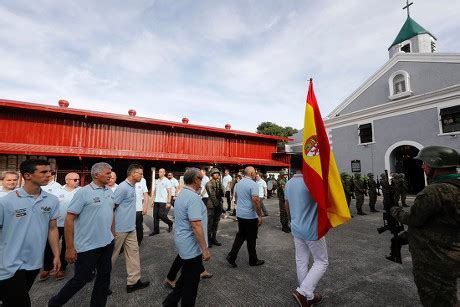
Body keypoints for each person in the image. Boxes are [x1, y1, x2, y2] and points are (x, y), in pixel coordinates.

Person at [391, 146, 460, 307]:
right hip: (450, 253)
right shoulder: (455, 185)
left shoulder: (434, 191)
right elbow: (439, 222)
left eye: (425, 163)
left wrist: (396, 211)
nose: (422, 166)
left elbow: (414, 218)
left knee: (437, 300)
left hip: (434, 259)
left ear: (435, 164)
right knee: (447, 296)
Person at [48, 162, 115, 307]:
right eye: (108, 173)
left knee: (104, 278)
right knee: (81, 279)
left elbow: (111, 214)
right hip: (87, 246)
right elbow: (69, 219)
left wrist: (112, 235)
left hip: (107, 243)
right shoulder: (83, 193)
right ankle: (55, 303)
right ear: (97, 175)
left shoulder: (109, 191)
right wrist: (70, 248)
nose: (111, 176)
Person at [0, 159, 60, 306]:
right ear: (27, 175)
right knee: (22, 302)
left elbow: (52, 229)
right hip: (9, 262)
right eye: (43, 172)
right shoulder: (6, 201)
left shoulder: (52, 200)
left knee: (11, 301)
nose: (49, 175)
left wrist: (56, 255)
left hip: (34, 262)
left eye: (50, 172)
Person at [163, 168, 210, 307]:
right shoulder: (193, 198)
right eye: (201, 178)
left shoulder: (183, 193)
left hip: (184, 242)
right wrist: (205, 249)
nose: (202, 181)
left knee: (186, 276)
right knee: (191, 285)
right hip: (191, 245)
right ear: (195, 180)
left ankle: (170, 302)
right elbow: (196, 225)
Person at [285, 154, 328, 307]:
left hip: (296, 227)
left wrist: (292, 220)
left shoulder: (288, 183)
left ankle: (307, 295)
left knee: (301, 260)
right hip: (311, 228)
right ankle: (303, 292)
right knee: (321, 261)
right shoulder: (311, 182)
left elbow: (287, 206)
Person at [112, 164, 150, 293]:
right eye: (140, 173)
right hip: (119, 229)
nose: (142, 175)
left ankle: (133, 282)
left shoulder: (133, 186)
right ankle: (102, 283)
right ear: (133, 174)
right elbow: (112, 207)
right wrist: (111, 228)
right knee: (111, 257)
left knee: (133, 255)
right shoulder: (122, 188)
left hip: (130, 228)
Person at [40, 172, 81, 282]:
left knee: (66, 247)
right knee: (50, 246)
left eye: (78, 179)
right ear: (67, 180)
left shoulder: (81, 191)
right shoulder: (57, 190)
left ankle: (62, 268)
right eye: (75, 179)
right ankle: (47, 268)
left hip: (72, 225)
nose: (77, 181)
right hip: (56, 224)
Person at [226, 166, 264, 268]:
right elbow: (256, 201)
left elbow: (237, 197)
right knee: (251, 238)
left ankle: (232, 256)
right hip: (250, 215)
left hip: (241, 214)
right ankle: (253, 260)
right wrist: (260, 215)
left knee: (241, 236)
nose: (256, 174)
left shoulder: (239, 183)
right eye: (255, 173)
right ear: (251, 173)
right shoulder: (253, 184)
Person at [150, 168, 173, 235]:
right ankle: (156, 230)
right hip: (156, 201)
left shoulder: (167, 181)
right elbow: (155, 192)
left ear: (164, 173)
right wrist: (153, 200)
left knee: (161, 215)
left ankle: (170, 223)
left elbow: (169, 192)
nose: (159, 173)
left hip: (163, 201)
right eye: (159, 172)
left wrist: (168, 202)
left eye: (161, 172)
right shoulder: (157, 181)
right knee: (155, 216)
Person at [206, 168, 224, 247]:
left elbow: (223, 193)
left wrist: (220, 184)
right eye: (215, 173)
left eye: (218, 173)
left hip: (218, 205)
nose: (217, 175)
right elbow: (212, 195)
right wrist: (217, 205)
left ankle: (214, 238)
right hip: (211, 206)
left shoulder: (219, 183)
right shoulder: (209, 184)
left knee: (216, 223)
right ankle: (208, 239)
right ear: (211, 175)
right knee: (210, 223)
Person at [135, 177, 149, 245]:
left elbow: (146, 194)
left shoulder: (143, 180)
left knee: (139, 225)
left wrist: (145, 207)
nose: (141, 175)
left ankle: (139, 240)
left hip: (138, 208)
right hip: (129, 209)